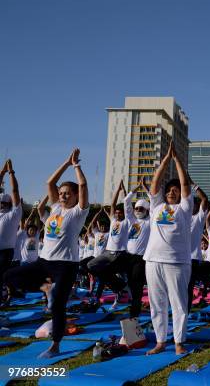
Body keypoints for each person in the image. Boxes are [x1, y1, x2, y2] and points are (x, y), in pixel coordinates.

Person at [5, 149, 89, 358]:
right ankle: (46, 288)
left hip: (65, 265)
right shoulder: (55, 209)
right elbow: (50, 183)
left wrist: (76, 166)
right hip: (44, 262)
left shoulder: (78, 212)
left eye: (67, 193)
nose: (62, 196)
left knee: (58, 306)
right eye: (61, 193)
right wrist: (66, 163)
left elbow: (84, 185)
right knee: (9, 277)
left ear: (76, 196)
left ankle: (55, 345)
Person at [143, 140, 193, 356]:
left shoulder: (184, 208)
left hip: (178, 262)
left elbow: (185, 186)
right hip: (153, 260)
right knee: (157, 304)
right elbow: (155, 183)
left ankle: (179, 342)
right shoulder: (156, 206)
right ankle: (161, 341)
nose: (172, 192)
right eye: (169, 190)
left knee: (179, 303)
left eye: (175, 190)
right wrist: (165, 159)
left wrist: (177, 160)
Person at [88, 180, 130, 308]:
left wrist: (124, 192)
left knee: (111, 273)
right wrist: (117, 189)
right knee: (91, 265)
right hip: (107, 252)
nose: (117, 214)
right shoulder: (113, 220)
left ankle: (123, 289)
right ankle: (121, 286)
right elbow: (112, 204)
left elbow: (127, 205)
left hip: (119, 253)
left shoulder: (126, 221)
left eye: (120, 212)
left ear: (123, 213)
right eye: (116, 212)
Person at [123, 178, 151, 318]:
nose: (138, 210)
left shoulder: (150, 221)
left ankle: (135, 311)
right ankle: (134, 304)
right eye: (137, 208)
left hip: (141, 259)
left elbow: (154, 201)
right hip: (128, 257)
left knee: (137, 285)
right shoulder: (132, 220)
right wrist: (136, 189)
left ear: (147, 210)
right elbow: (126, 202)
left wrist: (145, 188)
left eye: (141, 208)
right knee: (130, 283)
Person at [0, 159, 22, 304]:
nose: (1, 205)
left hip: (5, 251)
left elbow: (14, 191)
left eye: (4, 203)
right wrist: (1, 172)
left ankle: (6, 297)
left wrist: (11, 173)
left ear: (9, 204)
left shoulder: (14, 214)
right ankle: (7, 295)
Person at [187, 184, 209, 312]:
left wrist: (193, 185)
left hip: (193, 258)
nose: (192, 207)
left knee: (189, 287)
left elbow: (204, 199)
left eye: (194, 205)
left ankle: (187, 310)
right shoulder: (182, 217)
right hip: (179, 257)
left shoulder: (199, 218)